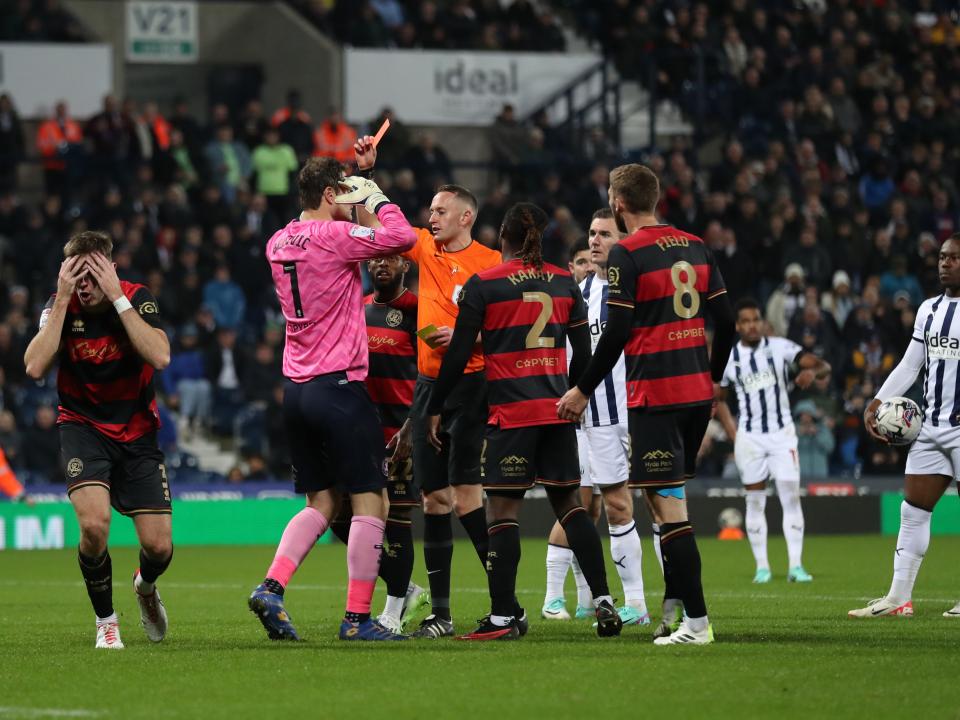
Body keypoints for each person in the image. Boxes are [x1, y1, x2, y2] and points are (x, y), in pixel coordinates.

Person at [557, 164, 736, 646]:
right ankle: (672, 612)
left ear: (618, 203)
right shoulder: (698, 246)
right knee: (667, 508)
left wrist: (581, 389)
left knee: (668, 510)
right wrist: (713, 377)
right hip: (697, 396)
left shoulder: (627, 254)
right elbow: (728, 323)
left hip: (655, 397)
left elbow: (615, 334)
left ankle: (697, 625)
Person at [426, 202, 622, 640]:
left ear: (504, 239)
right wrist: (578, 394)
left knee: (503, 513)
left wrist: (435, 406)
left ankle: (502, 617)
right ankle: (605, 600)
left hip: (511, 417)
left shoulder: (485, 284)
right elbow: (584, 356)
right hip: (555, 413)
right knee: (571, 506)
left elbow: (458, 353)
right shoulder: (563, 283)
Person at [247, 156, 416, 641]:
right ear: (329, 195)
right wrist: (373, 195)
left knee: (320, 501)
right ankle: (358, 620)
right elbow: (400, 238)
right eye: (341, 193)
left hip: (295, 389)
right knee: (371, 502)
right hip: (339, 386)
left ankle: (272, 586)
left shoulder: (277, 241)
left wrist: (356, 175)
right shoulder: (335, 238)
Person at [354, 137, 502, 638]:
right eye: (430, 210)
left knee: (465, 498)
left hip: (473, 384)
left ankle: (504, 601)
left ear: (465, 217)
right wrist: (367, 174)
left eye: (440, 211)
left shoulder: (492, 262)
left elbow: (506, 333)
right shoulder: (423, 249)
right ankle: (440, 614)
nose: (431, 217)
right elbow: (377, 221)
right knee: (435, 501)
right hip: (428, 386)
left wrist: (466, 334)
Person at [23, 231, 173, 649]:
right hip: (82, 427)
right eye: (77, 273)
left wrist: (118, 299)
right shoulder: (59, 306)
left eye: (92, 273)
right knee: (93, 526)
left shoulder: (137, 296)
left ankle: (144, 587)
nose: (84, 283)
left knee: (159, 547)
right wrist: (62, 296)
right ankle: (106, 620)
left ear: (110, 269)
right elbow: (34, 366)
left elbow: (160, 356)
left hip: (138, 431)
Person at [542, 209, 650, 626]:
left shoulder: (637, 288)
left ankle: (675, 600)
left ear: (622, 239)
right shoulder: (577, 294)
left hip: (639, 408)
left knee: (662, 507)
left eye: (604, 233)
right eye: (591, 233)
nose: (594, 241)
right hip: (598, 415)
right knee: (616, 506)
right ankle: (636, 603)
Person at [850, 233, 960, 619]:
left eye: (954, 258)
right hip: (930, 426)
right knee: (913, 511)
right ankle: (898, 599)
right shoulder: (928, 310)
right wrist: (877, 400)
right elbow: (911, 365)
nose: (945, 263)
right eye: (943, 257)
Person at [715, 298, 831, 584]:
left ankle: (795, 567)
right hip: (751, 438)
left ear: (761, 322)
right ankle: (762, 568)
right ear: (739, 326)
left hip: (782, 436)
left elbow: (822, 365)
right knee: (754, 502)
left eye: (756, 319)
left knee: (790, 498)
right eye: (746, 321)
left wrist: (811, 372)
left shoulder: (780, 348)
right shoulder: (729, 359)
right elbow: (718, 400)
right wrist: (733, 433)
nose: (753, 325)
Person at [361, 254, 429, 632]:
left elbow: (432, 371)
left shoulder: (418, 311)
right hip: (361, 433)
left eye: (391, 259)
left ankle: (392, 613)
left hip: (400, 434)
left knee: (397, 519)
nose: (381, 265)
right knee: (343, 516)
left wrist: (412, 425)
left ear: (406, 266)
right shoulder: (358, 309)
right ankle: (406, 589)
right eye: (375, 260)